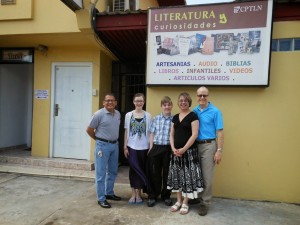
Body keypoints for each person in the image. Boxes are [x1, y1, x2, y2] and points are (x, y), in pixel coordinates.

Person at [167, 92, 203, 215]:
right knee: (177, 177)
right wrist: (173, 148)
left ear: (189, 102)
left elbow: (194, 134)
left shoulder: (193, 116)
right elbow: (171, 134)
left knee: (188, 178)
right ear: (178, 102)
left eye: (185, 100)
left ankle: (185, 202)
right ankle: (178, 200)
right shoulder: (175, 117)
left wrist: (184, 149)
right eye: (181, 100)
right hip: (175, 153)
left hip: (189, 152)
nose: (183, 102)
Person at [192, 86, 224, 216]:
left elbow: (220, 132)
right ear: (197, 96)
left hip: (209, 146)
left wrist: (219, 150)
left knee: (207, 177)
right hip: (195, 146)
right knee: (196, 174)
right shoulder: (194, 111)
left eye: (204, 95)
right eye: (200, 95)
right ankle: (197, 198)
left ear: (208, 96)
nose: (202, 98)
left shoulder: (215, 111)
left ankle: (205, 203)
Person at [86, 93, 121, 209]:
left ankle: (109, 193)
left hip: (114, 145)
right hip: (102, 146)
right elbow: (89, 130)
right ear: (103, 102)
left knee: (112, 171)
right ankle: (101, 198)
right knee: (100, 174)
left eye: (112, 100)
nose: (110, 102)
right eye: (107, 100)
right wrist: (99, 140)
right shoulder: (98, 114)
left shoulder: (117, 114)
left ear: (115, 103)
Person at [124, 93, 152, 204]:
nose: (139, 103)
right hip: (131, 146)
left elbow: (150, 132)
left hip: (144, 147)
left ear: (144, 102)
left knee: (141, 169)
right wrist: (125, 146)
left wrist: (150, 146)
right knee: (133, 170)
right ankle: (133, 194)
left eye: (141, 101)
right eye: (137, 101)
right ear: (133, 102)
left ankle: (139, 194)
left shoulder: (148, 115)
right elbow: (126, 131)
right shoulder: (128, 115)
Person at [147, 96, 173, 207]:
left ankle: (166, 196)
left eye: (168, 105)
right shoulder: (156, 118)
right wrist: (151, 148)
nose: (167, 107)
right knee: (155, 172)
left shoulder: (174, 119)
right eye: (164, 105)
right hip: (156, 147)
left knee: (167, 173)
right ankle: (153, 195)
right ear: (161, 106)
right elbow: (152, 133)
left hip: (168, 148)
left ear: (171, 106)